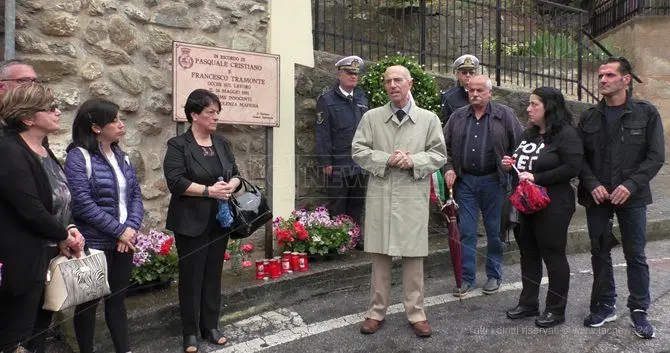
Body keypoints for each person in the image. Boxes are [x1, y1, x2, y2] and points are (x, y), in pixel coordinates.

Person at [352, 65, 447, 338]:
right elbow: (358, 150)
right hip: (381, 193)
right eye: (388, 81)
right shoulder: (371, 117)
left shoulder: (428, 119)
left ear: (410, 84)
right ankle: (375, 312)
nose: (392, 85)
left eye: (398, 80)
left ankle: (416, 313)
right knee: (380, 256)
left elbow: (439, 154)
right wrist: (386, 159)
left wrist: (413, 160)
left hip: (411, 194)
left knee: (413, 256)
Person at [578, 57, 664, 339]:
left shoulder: (646, 113)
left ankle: (639, 309)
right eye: (600, 75)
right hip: (598, 198)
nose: (602, 80)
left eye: (609, 75)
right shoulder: (589, 116)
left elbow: (655, 157)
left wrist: (631, 185)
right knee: (599, 252)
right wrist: (591, 183)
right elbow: (578, 157)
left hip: (633, 196)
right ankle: (605, 304)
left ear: (626, 79)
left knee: (635, 254)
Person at [0, 84, 84, 353]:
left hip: (47, 254)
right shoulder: (9, 151)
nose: (58, 112)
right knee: (17, 336)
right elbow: (30, 208)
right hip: (22, 260)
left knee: (39, 330)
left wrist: (69, 227)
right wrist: (62, 235)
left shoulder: (42, 148)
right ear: (27, 118)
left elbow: (58, 198)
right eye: (51, 108)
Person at [163, 89, 242, 353]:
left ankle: (211, 325)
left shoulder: (222, 143)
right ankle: (190, 332)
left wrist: (231, 185)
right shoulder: (178, 146)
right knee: (191, 276)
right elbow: (176, 182)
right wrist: (209, 191)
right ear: (194, 114)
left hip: (219, 219)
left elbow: (236, 174)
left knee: (213, 275)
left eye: (217, 112)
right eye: (210, 112)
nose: (216, 117)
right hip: (190, 221)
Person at [64, 98, 144, 353]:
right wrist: (119, 230)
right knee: (88, 304)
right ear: (97, 127)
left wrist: (129, 229)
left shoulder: (123, 157)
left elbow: (135, 196)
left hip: (124, 243)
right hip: (96, 242)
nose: (122, 125)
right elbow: (82, 204)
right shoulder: (79, 157)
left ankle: (125, 349)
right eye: (115, 120)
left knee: (117, 301)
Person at [502, 87, 583, 328]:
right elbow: (521, 162)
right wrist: (510, 164)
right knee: (528, 254)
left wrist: (537, 178)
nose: (528, 109)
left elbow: (573, 167)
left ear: (549, 107)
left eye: (534, 104)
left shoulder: (566, 135)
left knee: (553, 254)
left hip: (554, 203)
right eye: (529, 104)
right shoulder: (529, 134)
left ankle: (556, 310)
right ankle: (528, 304)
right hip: (526, 203)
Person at [443, 75, 523, 297]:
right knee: (467, 231)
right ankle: (466, 278)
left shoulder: (504, 115)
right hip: (466, 181)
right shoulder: (458, 117)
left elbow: (520, 145)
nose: (475, 94)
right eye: (471, 91)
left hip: (494, 181)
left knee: (495, 231)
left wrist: (511, 162)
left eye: (480, 91)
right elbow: (444, 147)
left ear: (490, 93)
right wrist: (448, 168)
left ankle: (494, 275)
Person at [315, 55, 369, 249]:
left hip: (360, 162)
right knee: (338, 202)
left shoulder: (362, 98)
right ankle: (339, 239)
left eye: (356, 73)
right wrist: (325, 162)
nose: (353, 77)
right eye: (349, 73)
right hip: (338, 162)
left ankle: (355, 237)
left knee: (357, 202)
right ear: (340, 74)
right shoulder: (327, 100)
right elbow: (322, 133)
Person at [439, 54, 479, 126]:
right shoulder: (448, 97)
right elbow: (445, 124)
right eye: (464, 72)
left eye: (471, 72)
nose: (468, 75)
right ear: (457, 75)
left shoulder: (482, 93)